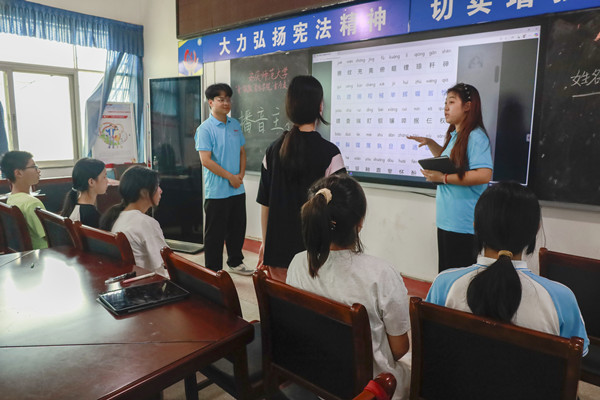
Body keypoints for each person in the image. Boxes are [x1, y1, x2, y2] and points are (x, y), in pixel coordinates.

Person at [426, 181, 589, 355]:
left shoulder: (444, 284)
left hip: (457, 373)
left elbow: (430, 344)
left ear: (475, 226)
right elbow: (577, 357)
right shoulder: (562, 298)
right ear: (536, 230)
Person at [287, 174, 411, 400]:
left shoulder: (297, 263)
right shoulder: (381, 274)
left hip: (314, 374)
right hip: (366, 388)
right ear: (359, 223)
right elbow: (400, 348)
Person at [257, 75, 346, 269]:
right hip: (316, 255)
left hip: (277, 253)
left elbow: (265, 204)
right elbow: (343, 209)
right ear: (320, 106)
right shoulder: (330, 153)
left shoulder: (272, 150)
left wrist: (266, 244)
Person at [408, 83, 493, 272]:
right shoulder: (456, 135)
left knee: (458, 279)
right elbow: (451, 163)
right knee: (447, 275)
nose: (446, 107)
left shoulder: (476, 136)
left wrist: (443, 178)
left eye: (451, 102)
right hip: (447, 220)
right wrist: (431, 143)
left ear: (468, 106)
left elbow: (484, 174)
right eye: (445, 102)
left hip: (463, 223)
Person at [195, 83, 251, 275]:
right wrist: (230, 177)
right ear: (211, 102)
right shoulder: (205, 129)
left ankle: (235, 262)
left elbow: (242, 152)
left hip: (237, 188)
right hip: (217, 191)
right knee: (215, 234)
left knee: (237, 228)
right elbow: (206, 160)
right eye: (221, 99)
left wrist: (241, 175)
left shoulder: (235, 124)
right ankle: (213, 271)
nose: (226, 103)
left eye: (228, 99)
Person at [99, 166, 169, 277]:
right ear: (144, 193)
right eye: (157, 186)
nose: (161, 190)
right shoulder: (145, 223)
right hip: (150, 282)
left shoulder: (119, 216)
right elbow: (166, 261)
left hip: (131, 279)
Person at [0, 151, 47, 249]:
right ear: (18, 173)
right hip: (43, 252)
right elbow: (50, 236)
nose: (38, 171)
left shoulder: (11, 199)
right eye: (34, 167)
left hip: (25, 255)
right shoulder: (32, 203)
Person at [60, 158, 108, 228]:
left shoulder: (72, 206)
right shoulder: (92, 216)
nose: (107, 181)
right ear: (91, 182)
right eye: (104, 177)